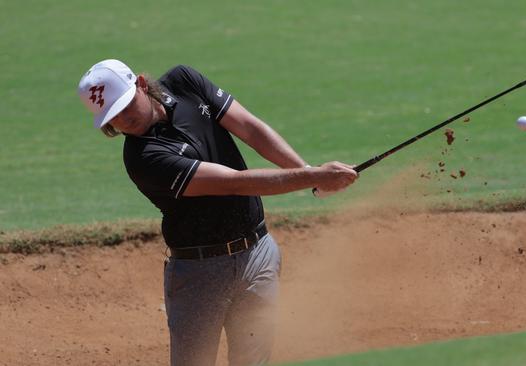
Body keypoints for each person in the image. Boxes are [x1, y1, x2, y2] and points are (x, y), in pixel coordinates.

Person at [77, 59, 358, 366]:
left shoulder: (184, 81)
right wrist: (315, 177)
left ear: (142, 84)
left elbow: (250, 128)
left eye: (126, 104)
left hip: (258, 255)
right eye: (113, 116)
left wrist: (306, 171)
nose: (123, 118)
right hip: (200, 273)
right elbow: (234, 184)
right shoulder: (143, 158)